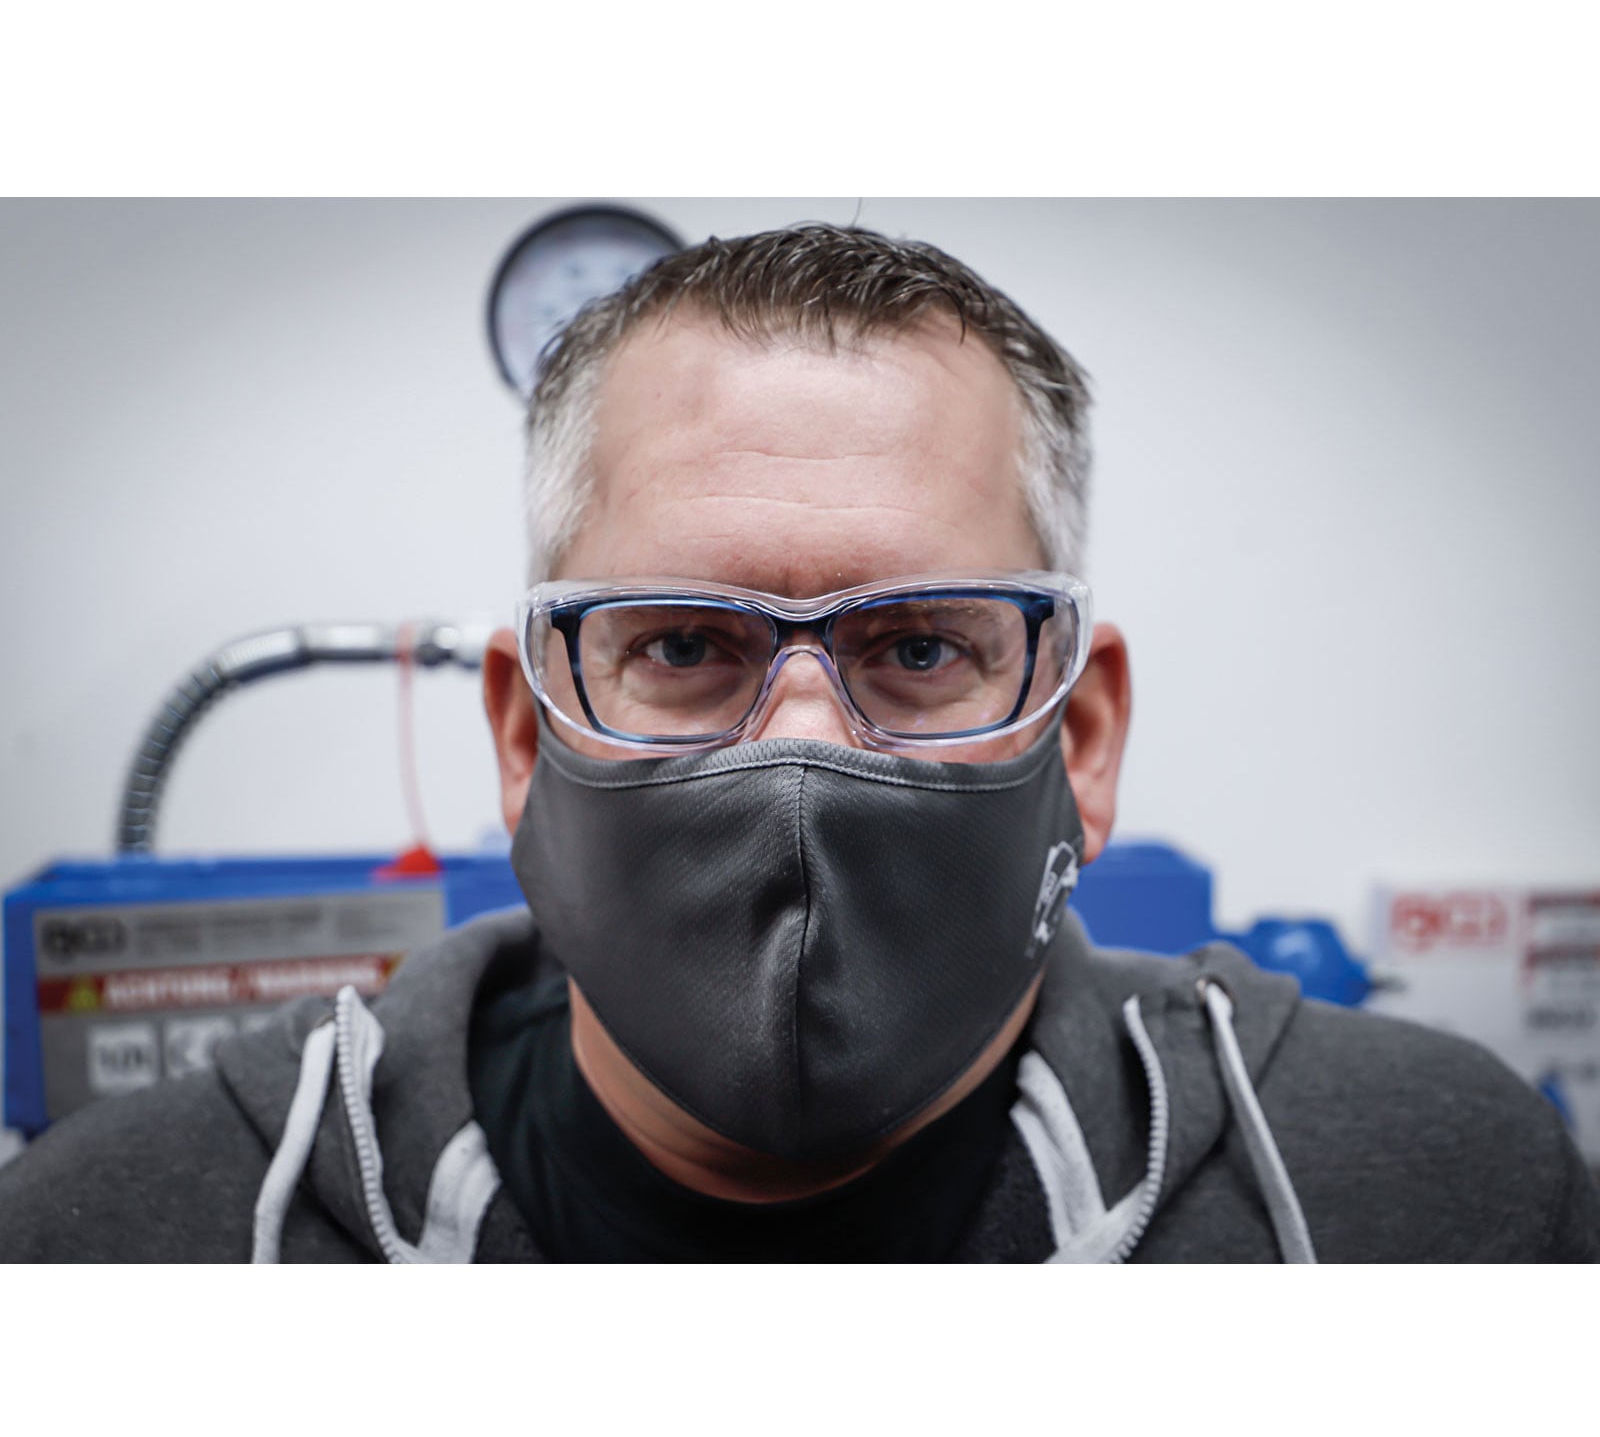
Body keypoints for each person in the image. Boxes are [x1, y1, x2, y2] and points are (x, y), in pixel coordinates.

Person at [2, 222, 1596, 1263]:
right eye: (685, 648)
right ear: (523, 731)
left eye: (921, 648)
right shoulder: (119, 1245)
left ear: (1087, 732)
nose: (804, 757)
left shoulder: (1438, 1202)